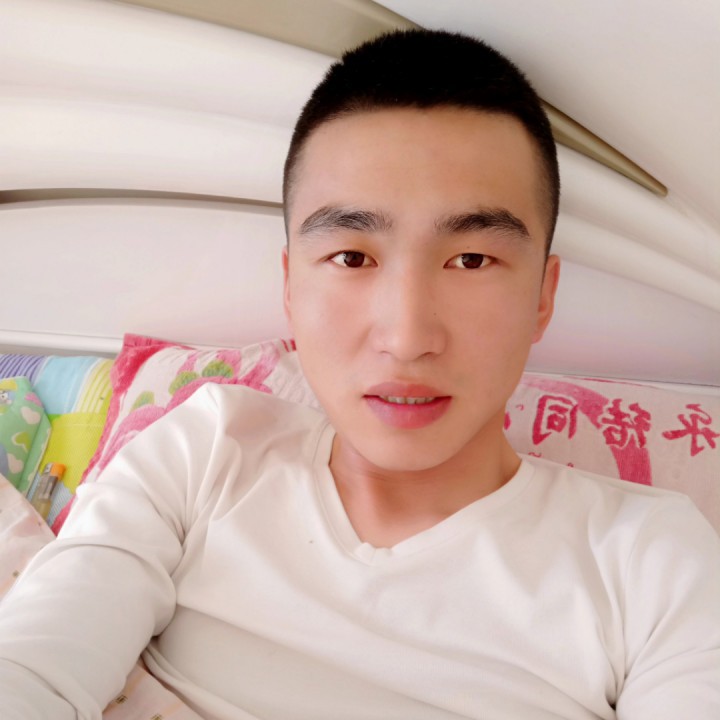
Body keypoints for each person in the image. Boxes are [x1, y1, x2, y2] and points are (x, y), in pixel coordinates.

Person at [0, 28, 718, 720]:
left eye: (471, 259)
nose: (407, 338)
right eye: (351, 257)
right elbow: (34, 667)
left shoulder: (651, 558)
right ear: (290, 286)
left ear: (542, 297)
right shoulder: (206, 450)